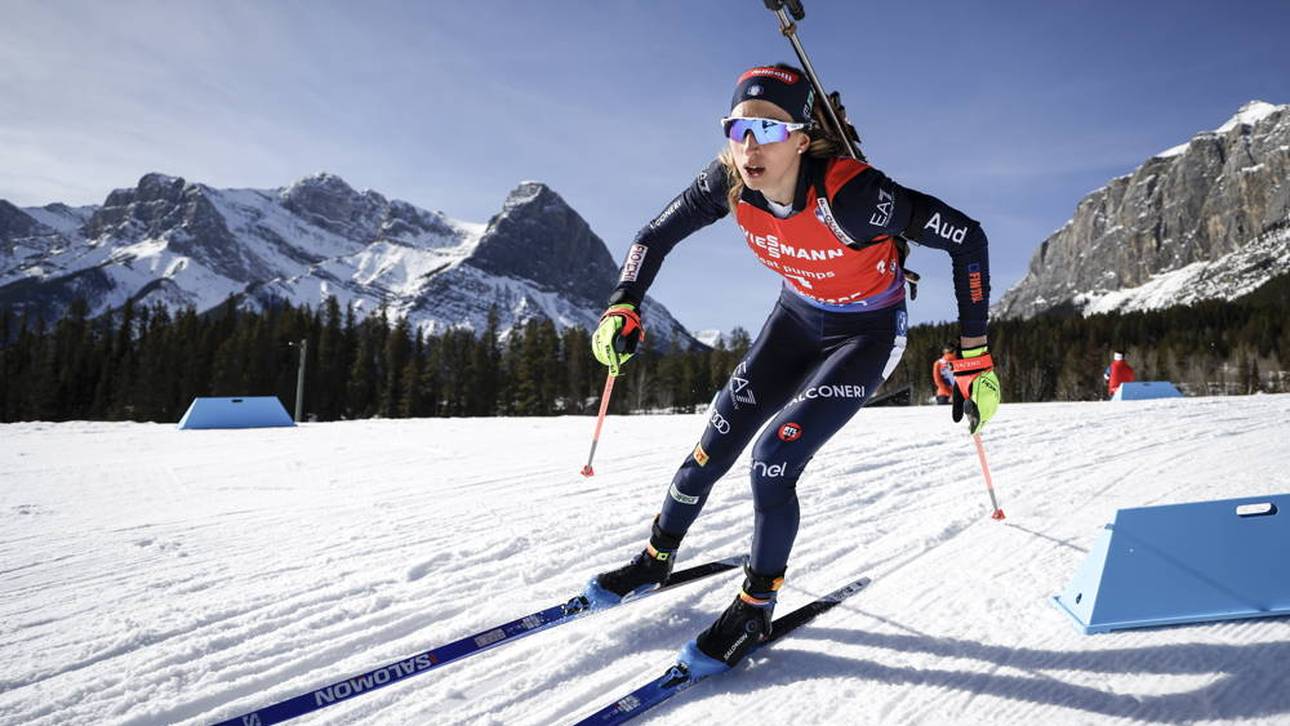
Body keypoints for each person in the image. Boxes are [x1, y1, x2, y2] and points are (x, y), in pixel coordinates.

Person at [584, 64, 1001, 676]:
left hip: (865, 334)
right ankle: (655, 557)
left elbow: (968, 238)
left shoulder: (854, 196)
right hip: (796, 322)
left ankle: (755, 606)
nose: (750, 145)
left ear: (803, 139)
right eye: (738, 128)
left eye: (769, 129)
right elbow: (653, 235)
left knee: (773, 460)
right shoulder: (727, 180)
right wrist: (623, 303)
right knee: (715, 441)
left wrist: (974, 353)